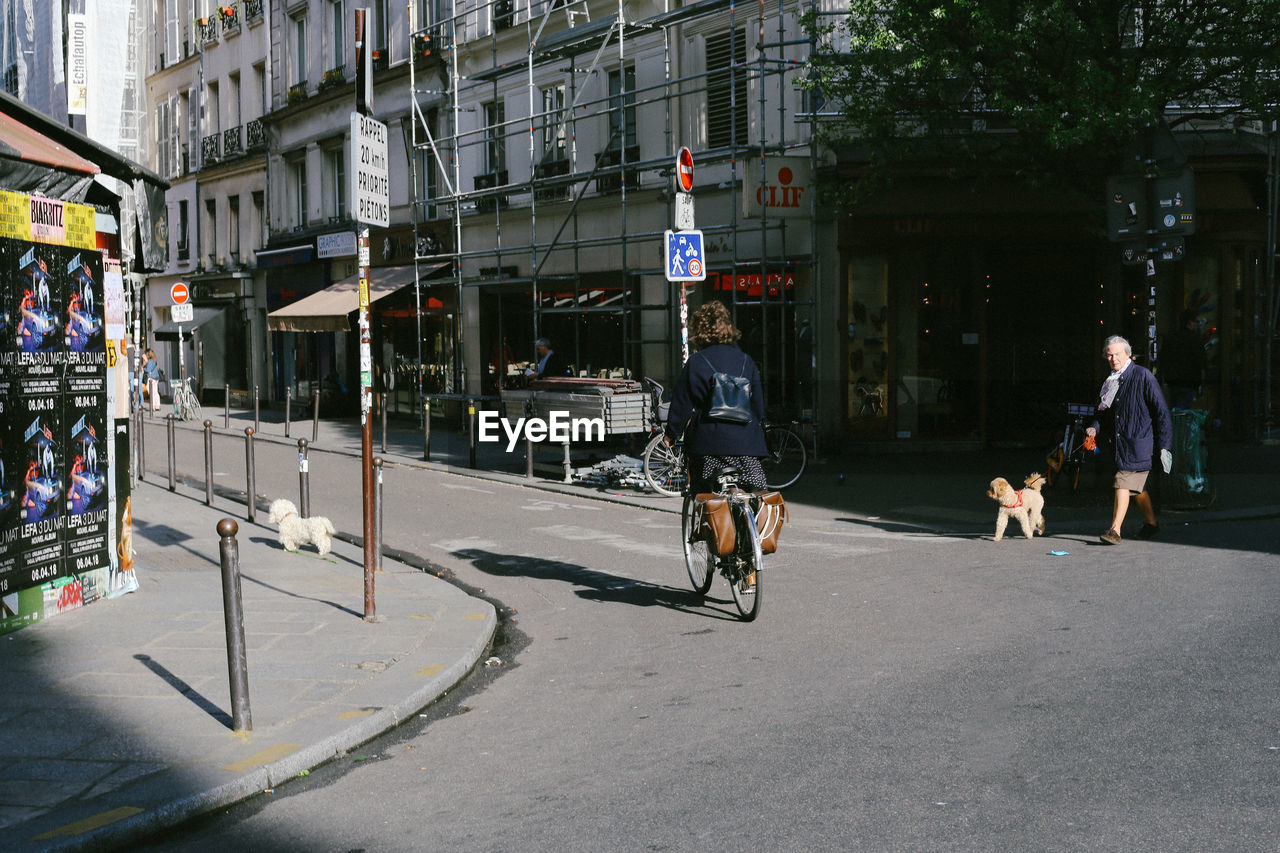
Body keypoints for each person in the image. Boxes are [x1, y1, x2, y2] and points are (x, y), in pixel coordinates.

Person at [664, 300, 769, 491]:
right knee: (752, 492)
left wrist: (671, 434)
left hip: (708, 443)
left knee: (705, 495)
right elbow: (758, 405)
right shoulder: (747, 361)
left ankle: (708, 519)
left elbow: (682, 403)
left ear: (699, 330)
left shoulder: (695, 362)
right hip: (747, 444)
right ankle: (749, 516)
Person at [1085, 335, 1173, 545]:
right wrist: (1094, 428)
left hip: (1141, 444)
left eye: (1117, 354)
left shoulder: (1143, 376)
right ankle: (1151, 524)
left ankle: (1115, 531)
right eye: (1109, 355)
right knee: (1137, 489)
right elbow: (1103, 413)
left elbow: (1162, 413)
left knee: (1122, 482)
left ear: (1127, 354)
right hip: (1121, 445)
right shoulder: (1110, 381)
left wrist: (1165, 446)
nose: (1113, 358)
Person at [1159, 309, 1208, 410]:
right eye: (1197, 322)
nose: (1198, 324)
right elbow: (1202, 360)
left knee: (1175, 411)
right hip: (1189, 382)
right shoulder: (1194, 339)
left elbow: (1163, 357)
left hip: (1172, 381)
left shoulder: (1172, 337)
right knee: (1183, 413)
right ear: (1190, 322)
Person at [142, 349, 162, 413]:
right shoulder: (154, 360)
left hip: (151, 378)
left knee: (151, 392)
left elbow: (148, 370)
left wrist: (143, 367)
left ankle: (153, 406)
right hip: (156, 377)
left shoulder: (150, 361)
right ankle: (157, 405)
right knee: (155, 392)